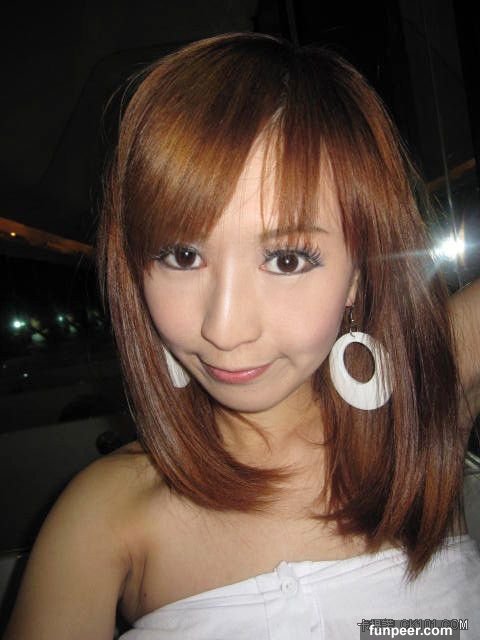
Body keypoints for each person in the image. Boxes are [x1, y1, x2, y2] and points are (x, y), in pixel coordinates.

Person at [4, 32, 480, 640]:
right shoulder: (99, 518)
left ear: (358, 275)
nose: (224, 330)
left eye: (286, 260)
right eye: (182, 255)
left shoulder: (424, 400)